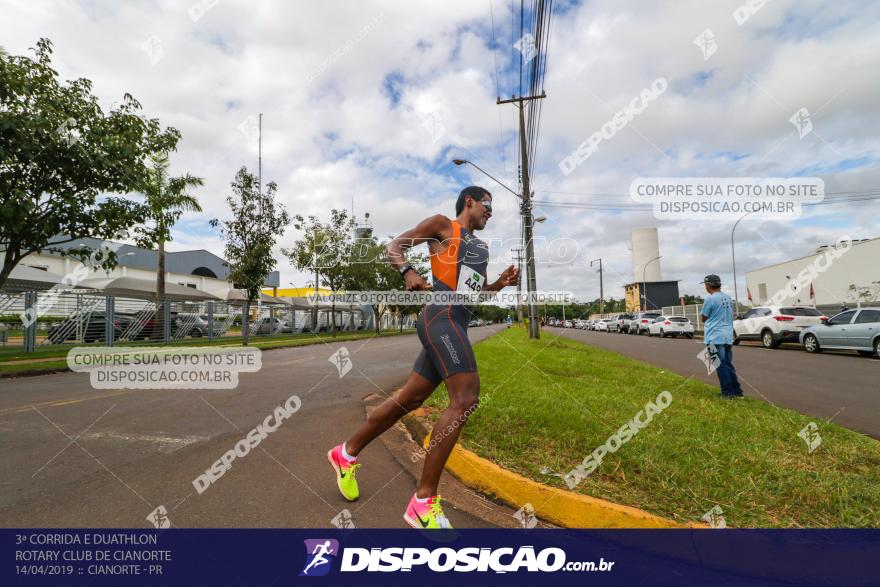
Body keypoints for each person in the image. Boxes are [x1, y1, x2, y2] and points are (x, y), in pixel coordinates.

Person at [327, 186, 519, 529]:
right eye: (488, 204)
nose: (491, 211)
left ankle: (347, 452)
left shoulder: (480, 247)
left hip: (455, 321)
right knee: (466, 398)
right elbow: (394, 246)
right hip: (440, 319)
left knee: (409, 399)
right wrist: (407, 272)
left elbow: (474, 293)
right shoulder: (443, 226)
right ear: (470, 202)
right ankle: (423, 502)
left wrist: (501, 284)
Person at [700, 274, 744, 399]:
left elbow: (703, 317)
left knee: (719, 365)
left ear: (708, 285)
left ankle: (727, 393)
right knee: (728, 364)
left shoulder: (710, 299)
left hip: (714, 336)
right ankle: (737, 391)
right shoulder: (728, 298)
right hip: (727, 336)